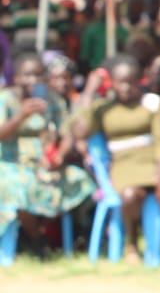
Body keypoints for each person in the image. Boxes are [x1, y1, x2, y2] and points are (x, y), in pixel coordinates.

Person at [70, 55, 160, 263]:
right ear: (112, 82)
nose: (126, 87)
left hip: (153, 161)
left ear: (140, 80)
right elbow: (81, 132)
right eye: (120, 82)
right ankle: (131, 242)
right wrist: (89, 93)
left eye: (131, 81)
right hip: (124, 164)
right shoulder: (103, 108)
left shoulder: (151, 104)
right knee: (129, 196)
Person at [0, 53, 95, 256]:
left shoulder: (51, 99)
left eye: (38, 75)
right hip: (9, 163)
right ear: (16, 77)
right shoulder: (5, 99)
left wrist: (59, 154)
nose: (33, 80)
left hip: (45, 164)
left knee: (81, 180)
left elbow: (66, 130)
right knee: (22, 185)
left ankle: (75, 238)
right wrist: (21, 116)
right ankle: (36, 239)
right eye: (27, 75)